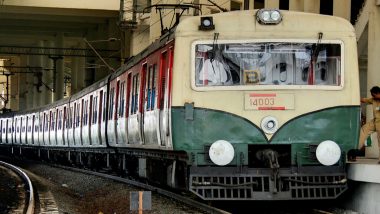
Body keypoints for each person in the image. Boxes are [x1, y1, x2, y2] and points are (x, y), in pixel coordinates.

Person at [357, 86, 380, 162]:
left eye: (374, 95)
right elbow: (364, 100)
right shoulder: (374, 99)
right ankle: (355, 149)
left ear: (378, 93)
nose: (372, 96)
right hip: (375, 121)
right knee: (363, 130)